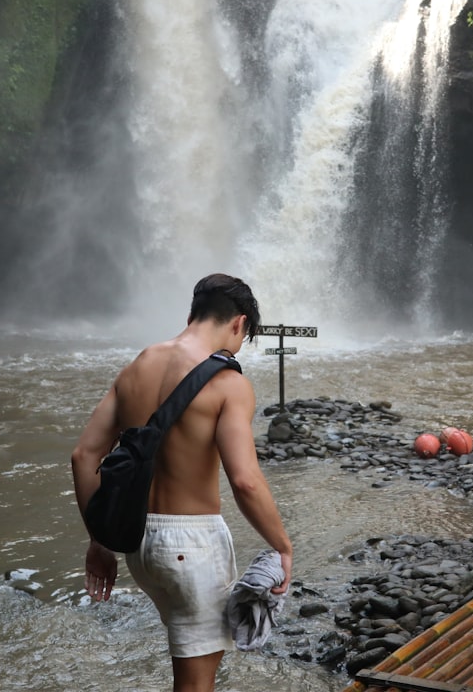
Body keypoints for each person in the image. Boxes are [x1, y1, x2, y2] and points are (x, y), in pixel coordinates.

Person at [71, 273, 293, 692]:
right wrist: (282, 545)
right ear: (239, 324)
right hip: (192, 546)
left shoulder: (138, 365)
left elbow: (83, 456)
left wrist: (100, 541)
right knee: (195, 684)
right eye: (245, 336)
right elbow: (245, 481)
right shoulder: (229, 383)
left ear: (193, 313)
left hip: (138, 544)